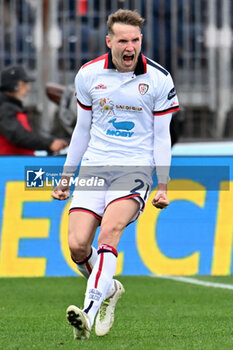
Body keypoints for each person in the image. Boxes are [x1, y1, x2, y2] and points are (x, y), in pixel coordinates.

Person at [52, 9, 179, 340]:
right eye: (123, 40)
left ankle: (88, 314)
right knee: (78, 246)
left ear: (141, 41)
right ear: (109, 41)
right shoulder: (89, 75)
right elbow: (81, 130)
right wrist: (66, 176)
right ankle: (108, 289)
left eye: (136, 40)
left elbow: (162, 136)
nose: (130, 47)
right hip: (94, 167)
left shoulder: (159, 78)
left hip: (134, 169)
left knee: (109, 232)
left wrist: (162, 184)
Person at [0, 66, 68, 155]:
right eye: (24, 84)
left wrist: (49, 142)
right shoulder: (5, 108)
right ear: (15, 86)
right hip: (10, 166)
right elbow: (18, 136)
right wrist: (49, 143)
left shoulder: (11, 107)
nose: (28, 88)